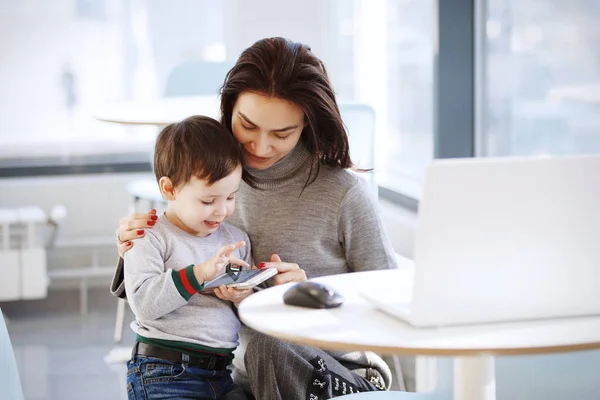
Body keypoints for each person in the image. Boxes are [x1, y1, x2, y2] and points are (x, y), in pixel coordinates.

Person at [115, 37, 401, 399]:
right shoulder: (214, 182)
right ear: (228, 108)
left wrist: (310, 294)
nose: (260, 148)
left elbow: (392, 304)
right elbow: (163, 287)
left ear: (307, 125)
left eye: (282, 134)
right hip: (243, 379)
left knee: (272, 347)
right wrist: (133, 245)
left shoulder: (344, 194)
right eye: (247, 126)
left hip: (340, 371)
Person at [124, 115, 253, 400]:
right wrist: (200, 273)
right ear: (169, 189)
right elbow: (144, 302)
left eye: (231, 197)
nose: (222, 211)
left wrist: (240, 296)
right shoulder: (149, 235)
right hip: (163, 371)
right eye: (208, 201)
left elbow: (248, 315)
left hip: (222, 375)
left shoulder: (235, 240)